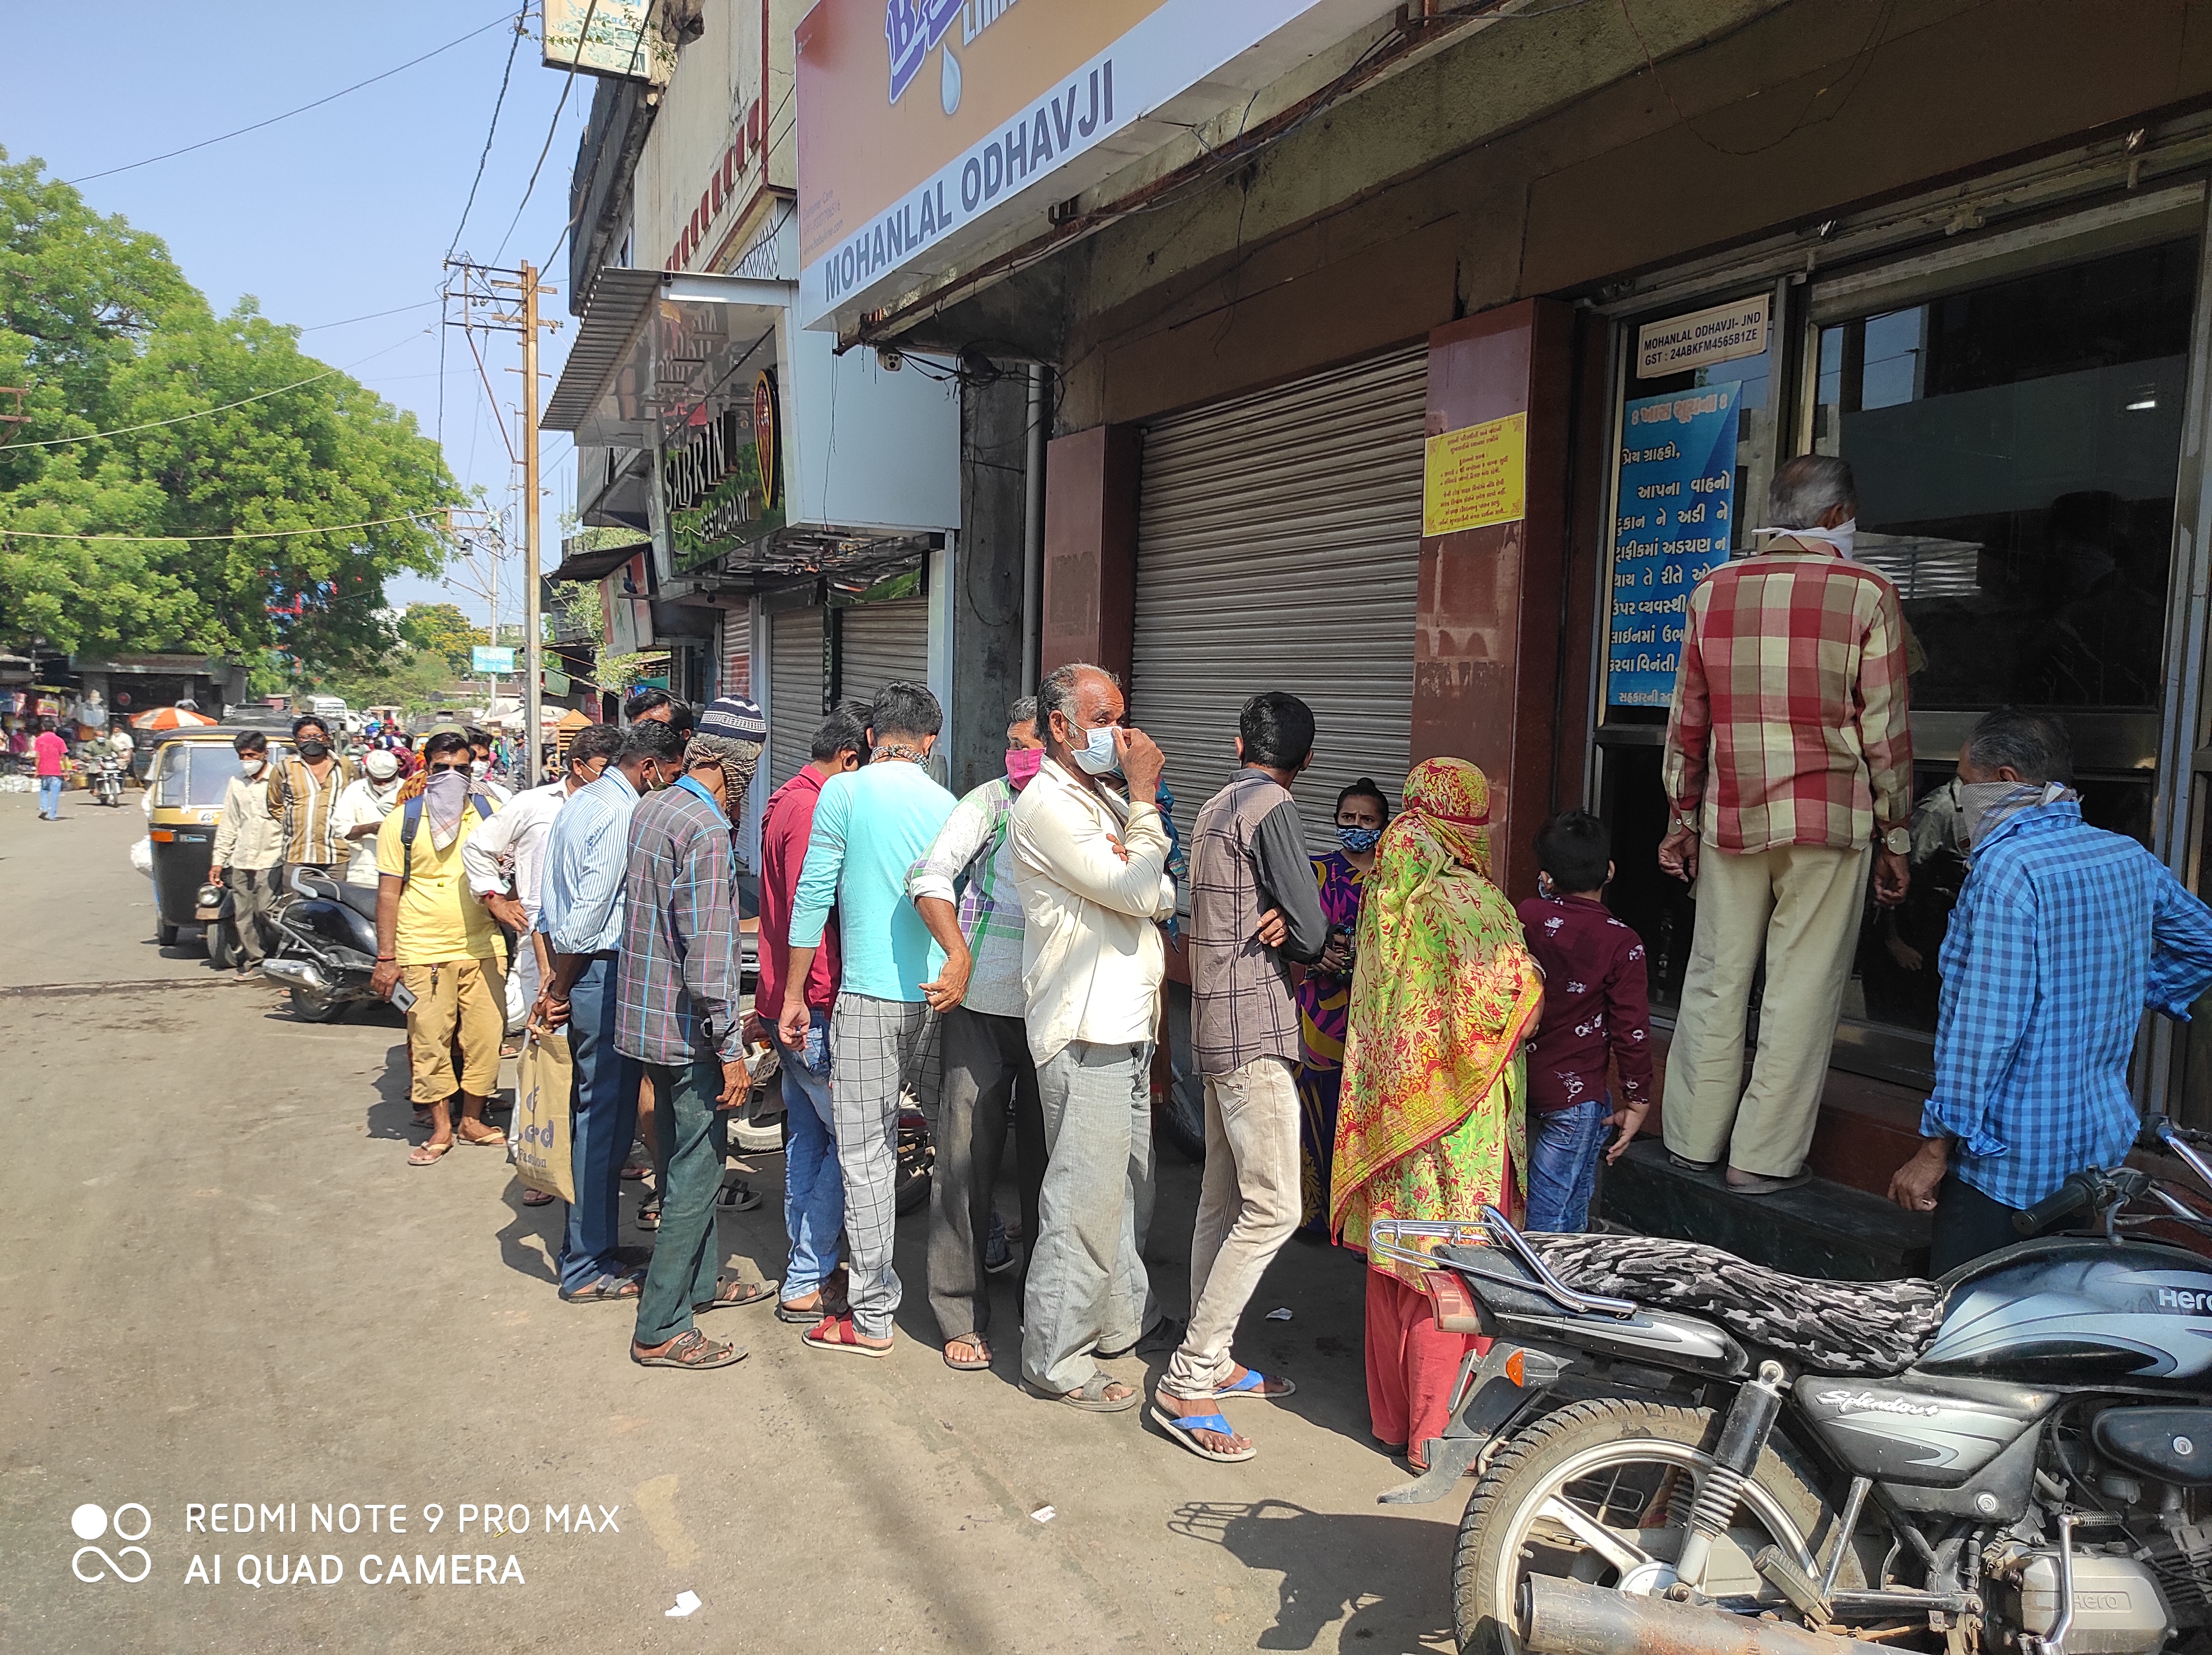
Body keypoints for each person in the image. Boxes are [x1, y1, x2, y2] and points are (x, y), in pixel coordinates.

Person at [1658, 453, 1914, 1194]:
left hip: (1729, 815)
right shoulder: (1868, 595)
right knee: (1802, 990)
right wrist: (1896, 835)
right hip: (1829, 821)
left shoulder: (1713, 591)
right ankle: (1760, 1160)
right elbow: (1886, 736)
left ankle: (1691, 1141)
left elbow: (1688, 724)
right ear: (1837, 517)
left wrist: (1682, 816)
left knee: (1715, 978)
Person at [1888, 709, 2212, 1272]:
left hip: (2007, 1163)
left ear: (2006, 781)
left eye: (1965, 784)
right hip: (2093, 1153)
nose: (1960, 799)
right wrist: (2130, 986)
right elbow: (2203, 940)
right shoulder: (2124, 855)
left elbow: (1984, 1028)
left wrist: (1933, 1149)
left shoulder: (2007, 870)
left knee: (1969, 1323)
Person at [1331, 758, 1544, 1472]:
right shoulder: (1473, 904)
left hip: (1395, 1122)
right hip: (1461, 1126)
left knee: (1399, 1265)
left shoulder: (1390, 895)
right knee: (1450, 1271)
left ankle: (1394, 1423)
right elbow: (1516, 1007)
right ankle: (1436, 1436)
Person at [1154, 692, 1332, 1462]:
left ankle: (1213, 1355)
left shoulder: (1216, 804)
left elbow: (1279, 916)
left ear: (1237, 744)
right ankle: (1191, 1374)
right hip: (1256, 1025)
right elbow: (1317, 932)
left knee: (1223, 1200)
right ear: (1309, 760)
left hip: (1213, 1021)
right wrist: (1293, 924)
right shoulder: (1274, 808)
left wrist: (1281, 917)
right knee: (1274, 1206)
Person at [1007, 663, 1178, 1411]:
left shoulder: (1096, 798)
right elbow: (1144, 888)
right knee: (1082, 1202)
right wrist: (1145, 805)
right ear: (1061, 727)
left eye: (1120, 716)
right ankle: (1056, 1358)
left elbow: (1160, 893)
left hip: (1125, 1027)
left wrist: (1139, 855)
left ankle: (1118, 1323)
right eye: (1104, 719)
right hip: (1086, 1030)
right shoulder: (1051, 805)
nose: (1122, 735)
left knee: (1121, 1194)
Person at [780, 681, 959, 1359]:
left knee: (865, 1156)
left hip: (865, 999)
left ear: (870, 739)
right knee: (942, 1143)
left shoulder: (843, 795)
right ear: (930, 743)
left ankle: (874, 1313)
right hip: (937, 995)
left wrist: (796, 995)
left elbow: (811, 902)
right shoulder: (946, 804)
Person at [620, 696, 778, 1371]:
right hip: (689, 1031)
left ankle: (703, 1282)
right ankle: (663, 1325)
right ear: (729, 764)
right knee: (695, 1170)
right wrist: (731, 1051)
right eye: (750, 768)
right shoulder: (709, 830)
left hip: (645, 1019)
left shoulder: (653, 807)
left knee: (684, 1158)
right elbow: (709, 961)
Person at [908, 695, 1052, 1372]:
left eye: (1033, 743)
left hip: (1057, 1009)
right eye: (1012, 742)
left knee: (1051, 1167)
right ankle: (960, 1311)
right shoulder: (989, 802)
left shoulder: (1089, 806)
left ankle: (1045, 1305)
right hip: (981, 1001)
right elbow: (932, 874)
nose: (1019, 756)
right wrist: (956, 952)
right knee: (966, 1157)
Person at [535, 719, 688, 1304]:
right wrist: (560, 988)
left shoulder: (584, 798)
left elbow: (554, 904)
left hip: (584, 971)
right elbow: (583, 918)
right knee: (601, 1123)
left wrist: (556, 978)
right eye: (669, 773)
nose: (669, 785)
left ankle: (595, 1245)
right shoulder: (622, 812)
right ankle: (584, 1264)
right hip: (599, 970)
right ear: (649, 767)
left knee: (604, 1119)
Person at [465, 721, 624, 1190]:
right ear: (577, 766)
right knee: (544, 1053)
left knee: (597, 1061)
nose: (610, 776)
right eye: (602, 769)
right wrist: (495, 897)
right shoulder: (535, 805)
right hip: (545, 943)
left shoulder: (619, 806)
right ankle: (534, 1159)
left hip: (597, 949)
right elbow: (479, 846)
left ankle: (602, 1153)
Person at [754, 704, 868, 1327]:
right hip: (811, 1007)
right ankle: (805, 1276)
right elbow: (808, 915)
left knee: (811, 1138)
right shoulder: (813, 809)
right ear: (849, 760)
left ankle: (808, 1265)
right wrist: (808, 999)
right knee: (855, 1146)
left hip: (789, 1001)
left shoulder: (786, 799)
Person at [367, 731, 508, 1166]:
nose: (451, 777)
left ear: (474, 771)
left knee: (486, 1039)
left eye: (461, 769)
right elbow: (389, 893)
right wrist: (386, 957)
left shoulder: (491, 813)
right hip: (422, 947)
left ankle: (472, 1119)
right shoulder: (402, 822)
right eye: (441, 768)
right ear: (426, 769)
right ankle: (441, 1127)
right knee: (430, 1040)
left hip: (483, 943)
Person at [1516, 810, 1654, 1233]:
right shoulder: (1623, 942)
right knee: (1553, 1216)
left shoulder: (1525, 915)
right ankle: (1543, 1294)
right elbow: (1631, 1031)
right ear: (1609, 871)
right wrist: (1638, 1099)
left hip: (1518, 1083)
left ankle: (1561, 1286)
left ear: (1546, 877)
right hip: (1575, 1097)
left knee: (1532, 1201)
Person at [1294, 779, 1389, 1237]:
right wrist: (1315, 953)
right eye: (1348, 818)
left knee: (1365, 1118)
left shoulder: (1395, 878)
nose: (1356, 827)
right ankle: (1313, 1219)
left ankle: (1358, 1222)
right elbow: (1289, 931)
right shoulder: (1314, 873)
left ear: (1383, 826)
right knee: (1317, 1114)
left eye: (1367, 820)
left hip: (1375, 1019)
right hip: (1320, 1017)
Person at [209, 732, 284, 976]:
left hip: (273, 856)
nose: (247, 760)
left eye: (252, 755)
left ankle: (283, 956)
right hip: (242, 858)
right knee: (243, 914)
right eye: (243, 756)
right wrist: (218, 861)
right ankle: (256, 960)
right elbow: (229, 824)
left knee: (267, 909)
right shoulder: (237, 783)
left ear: (265, 754)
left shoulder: (281, 780)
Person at [267, 714, 359, 893]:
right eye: (306, 737)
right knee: (296, 909)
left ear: (327, 739)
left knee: (336, 909)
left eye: (317, 736)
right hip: (298, 856)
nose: (312, 740)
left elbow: (356, 798)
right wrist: (294, 824)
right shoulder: (284, 768)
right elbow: (275, 804)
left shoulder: (345, 765)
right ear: (296, 741)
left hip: (337, 855)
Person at [334, 748, 406, 921]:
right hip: (364, 870)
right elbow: (342, 829)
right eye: (378, 781)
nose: (383, 786)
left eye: (388, 781)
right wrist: (370, 829)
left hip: (402, 871)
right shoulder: (355, 791)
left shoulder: (408, 789)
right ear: (367, 774)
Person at [32, 719, 67, 820]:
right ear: (54, 729)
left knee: (44, 790)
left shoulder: (39, 740)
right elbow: (63, 756)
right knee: (55, 793)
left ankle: (44, 808)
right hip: (56, 770)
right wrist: (66, 771)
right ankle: (53, 815)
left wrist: (37, 770)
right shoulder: (60, 740)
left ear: (43, 728)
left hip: (44, 770)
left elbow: (38, 756)